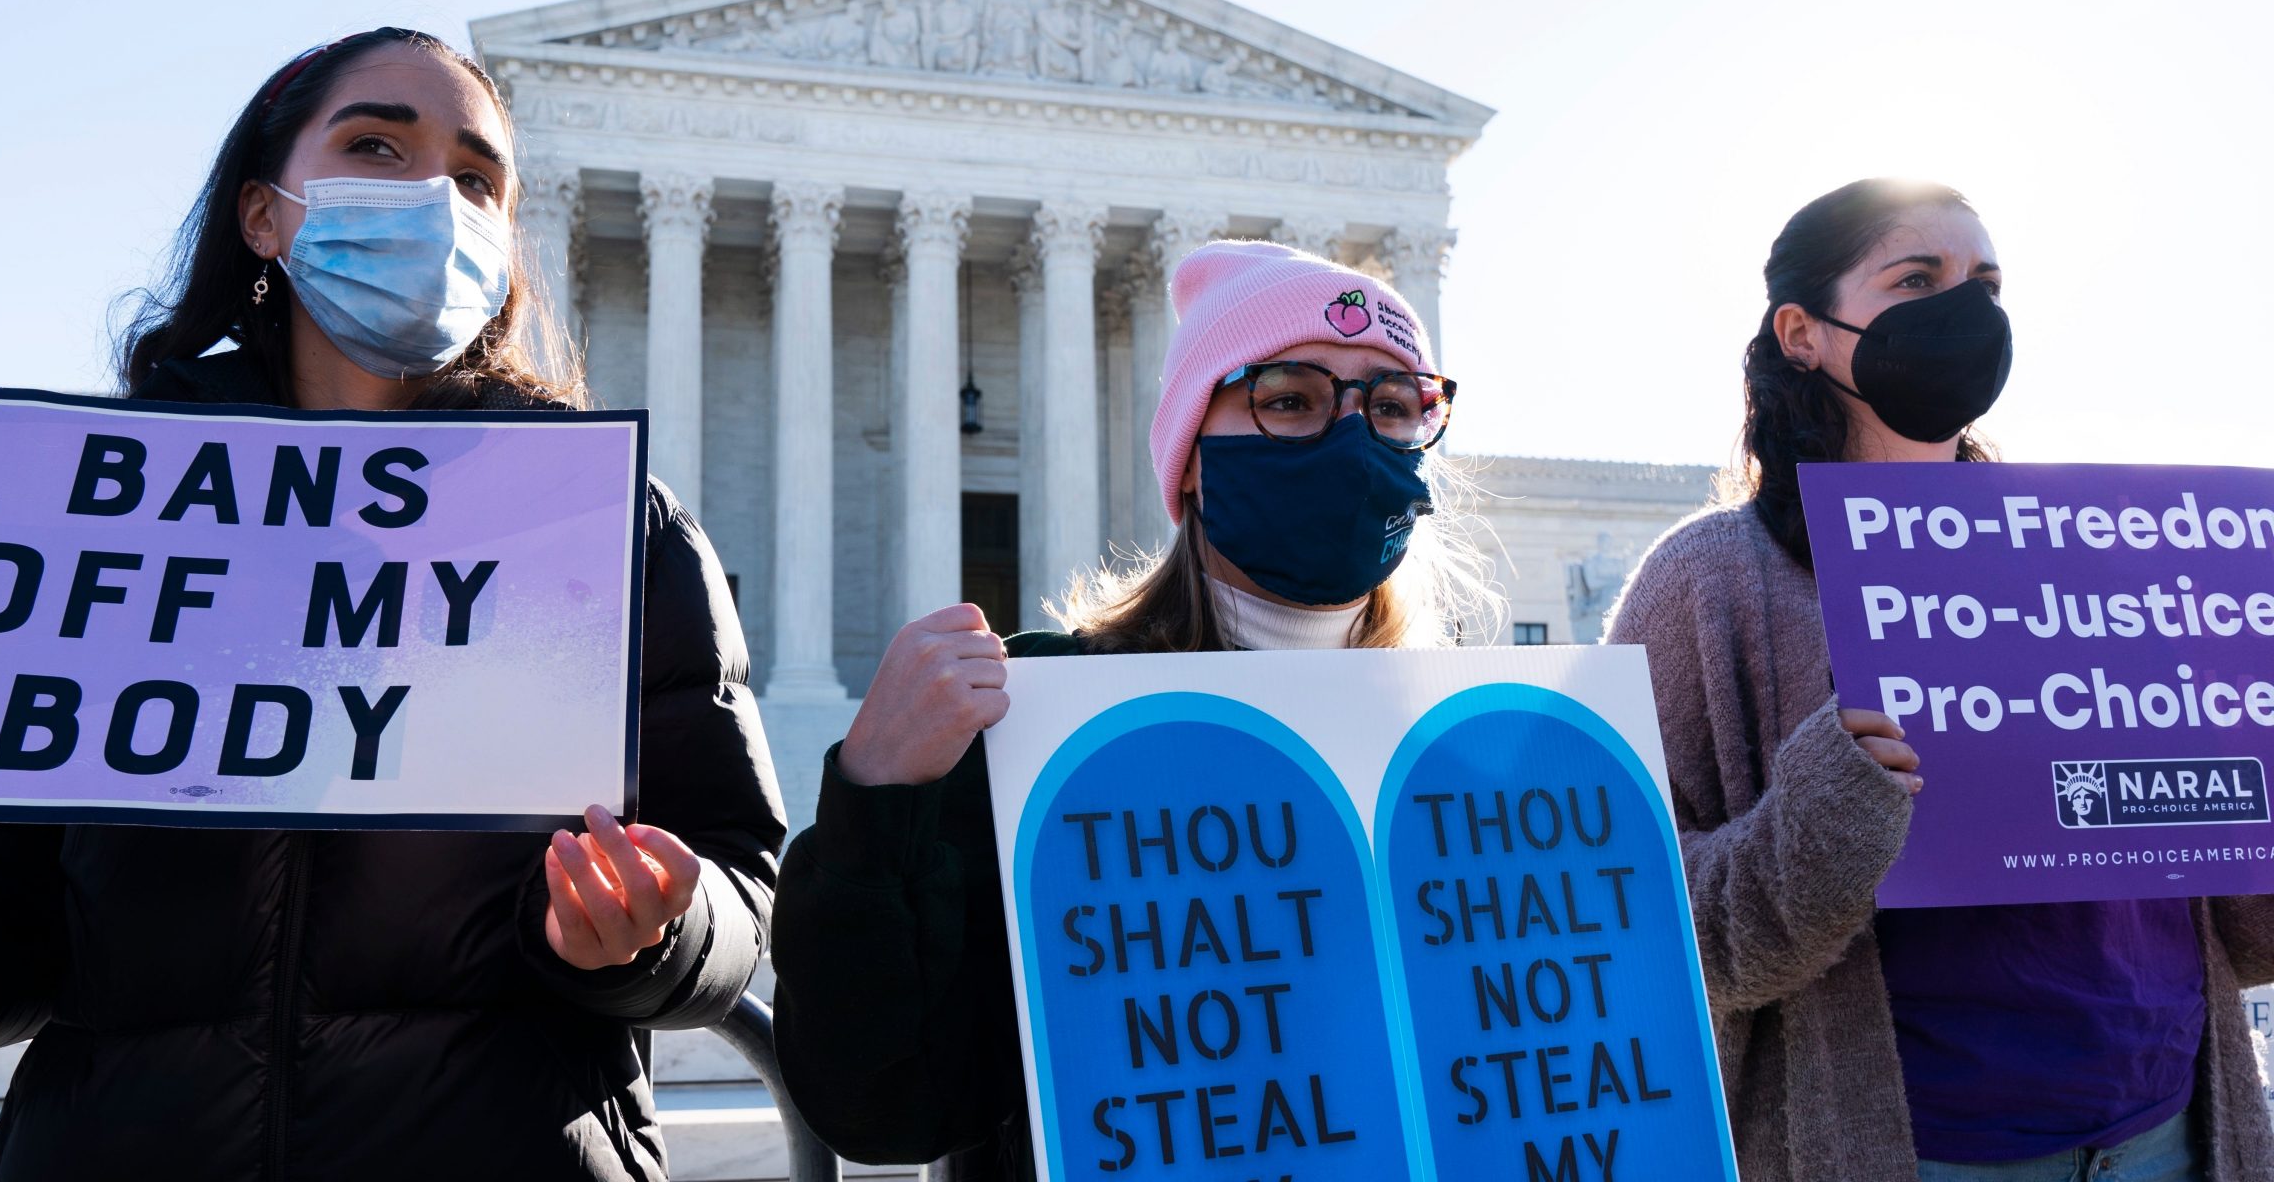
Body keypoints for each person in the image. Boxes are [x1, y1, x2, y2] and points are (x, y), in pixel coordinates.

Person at [0, 28, 784, 1180]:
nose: (433, 196)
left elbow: (731, 871)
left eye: (475, 179)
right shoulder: (89, 515)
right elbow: (11, 917)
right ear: (263, 214)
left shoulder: (606, 530)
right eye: (376, 143)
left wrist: (656, 931)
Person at [769, 241, 1496, 1178]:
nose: (1350, 441)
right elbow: (883, 1105)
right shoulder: (1030, 730)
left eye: (1392, 408)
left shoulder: (1474, 756)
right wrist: (874, 804)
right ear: (1192, 457)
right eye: (1288, 400)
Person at [1603, 178, 2274, 1182]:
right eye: (1917, 277)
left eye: (1985, 284)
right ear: (1802, 332)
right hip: (1922, 1148)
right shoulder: (1708, 583)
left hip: (2170, 1128)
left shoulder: (2103, 554)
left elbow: (2240, 929)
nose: (1964, 310)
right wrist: (1824, 805)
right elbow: (1639, 926)